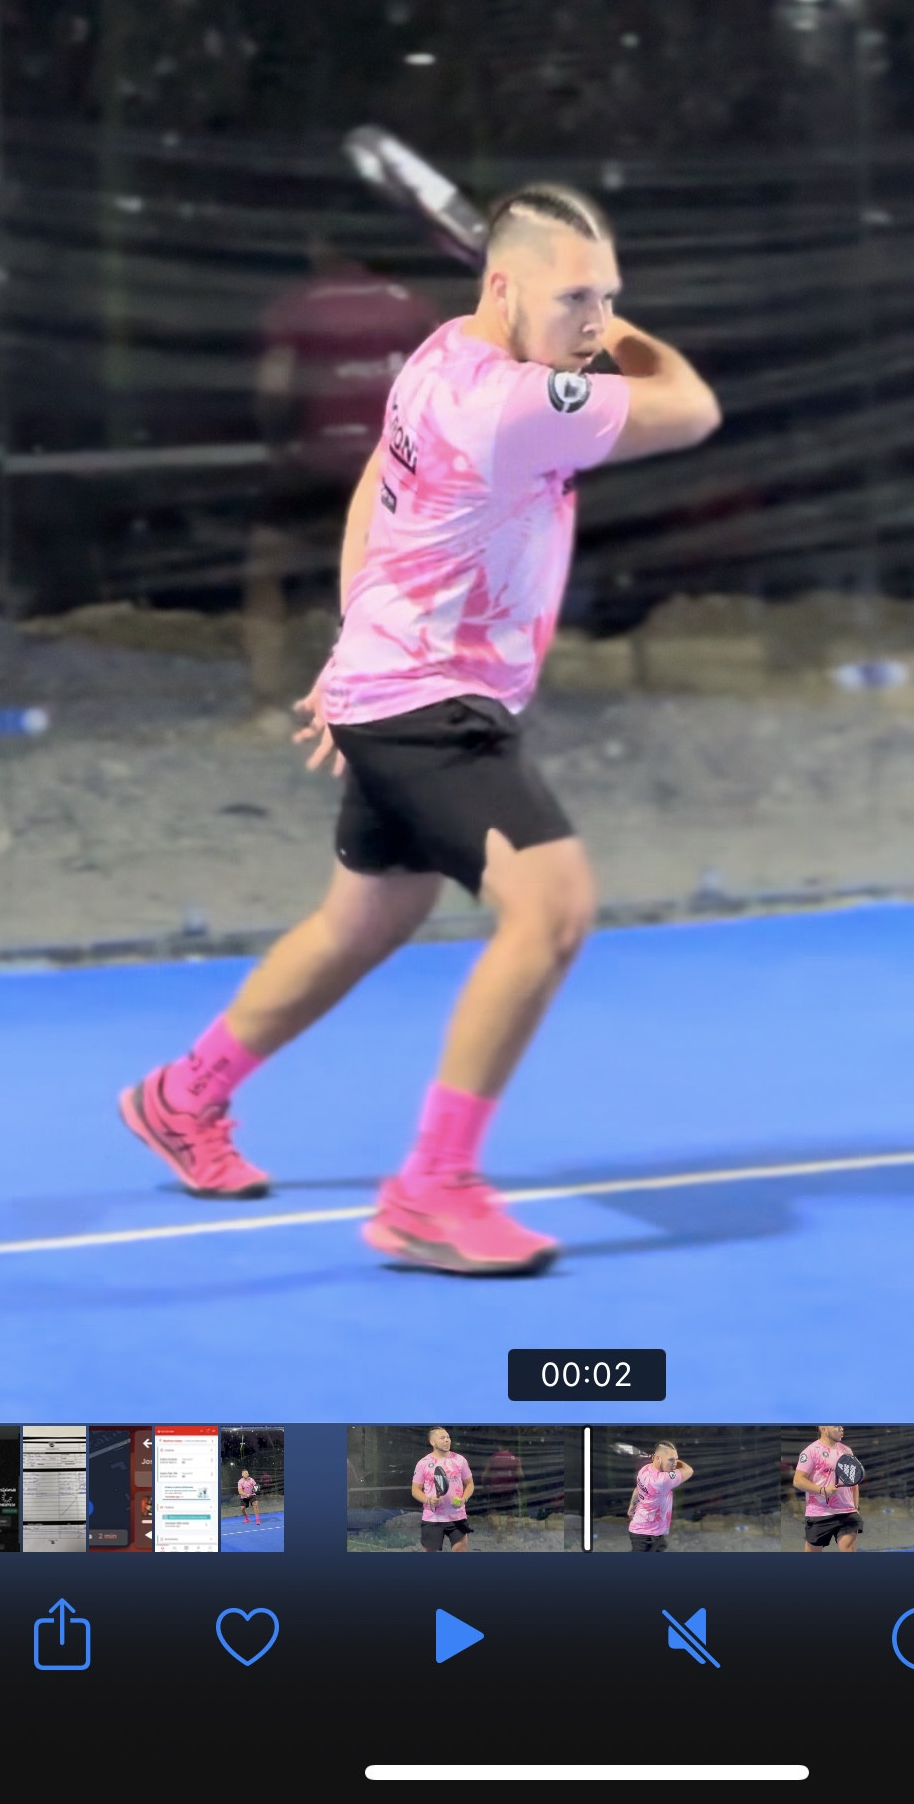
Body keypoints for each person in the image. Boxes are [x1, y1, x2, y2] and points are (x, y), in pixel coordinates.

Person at [120, 183, 721, 1276]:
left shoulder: (439, 353)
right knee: (553, 910)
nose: (594, 322)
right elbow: (690, 408)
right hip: (432, 707)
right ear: (505, 288)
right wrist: (627, 335)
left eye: (610, 297)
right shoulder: (514, 401)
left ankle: (180, 1097)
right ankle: (430, 1193)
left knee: (363, 922)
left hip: (394, 681)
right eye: (576, 299)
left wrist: (355, 637)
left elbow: (375, 486)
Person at [242, 233, 438, 709]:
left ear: (321, 248)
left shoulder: (297, 305)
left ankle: (266, 705)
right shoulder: (412, 304)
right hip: (394, 467)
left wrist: (279, 446)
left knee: (266, 569)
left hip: (319, 461)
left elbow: (274, 386)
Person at [794, 1427, 863, 1552]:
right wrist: (822, 1490)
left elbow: (853, 1482)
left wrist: (855, 1507)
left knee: (849, 1549)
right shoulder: (810, 1451)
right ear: (823, 1428)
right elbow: (798, 1480)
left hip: (847, 1512)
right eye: (836, 1426)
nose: (841, 1428)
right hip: (819, 1513)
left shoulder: (847, 1451)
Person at [412, 1428, 473, 1552]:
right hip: (432, 1518)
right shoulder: (423, 1463)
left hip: (457, 1516)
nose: (447, 1440)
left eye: (448, 1437)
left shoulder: (460, 1460)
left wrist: (464, 1499)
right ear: (432, 1442)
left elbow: (470, 1484)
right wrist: (429, 1500)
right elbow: (415, 1490)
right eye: (442, 1438)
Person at [627, 1441, 694, 1551]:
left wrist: (632, 1505)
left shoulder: (644, 1470)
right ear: (658, 1458)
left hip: (650, 1531)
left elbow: (638, 1489)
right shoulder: (663, 1480)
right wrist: (679, 1461)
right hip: (645, 1536)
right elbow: (689, 1470)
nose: (674, 1463)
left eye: (676, 1459)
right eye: (671, 1460)